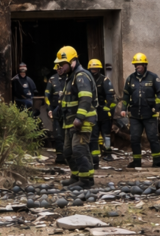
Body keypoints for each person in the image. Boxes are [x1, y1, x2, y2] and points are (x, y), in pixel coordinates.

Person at [55, 46, 98, 188]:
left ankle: (86, 180)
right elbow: (67, 101)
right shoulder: (70, 78)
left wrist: (79, 118)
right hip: (70, 122)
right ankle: (76, 176)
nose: (59, 67)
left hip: (82, 120)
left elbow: (85, 98)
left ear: (72, 62)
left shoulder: (81, 76)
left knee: (79, 149)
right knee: (67, 151)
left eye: (62, 64)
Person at [120, 53, 160, 167]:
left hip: (150, 114)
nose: (137, 66)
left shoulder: (153, 77)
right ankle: (136, 161)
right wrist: (123, 108)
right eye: (135, 64)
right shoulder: (130, 78)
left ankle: (157, 161)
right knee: (135, 138)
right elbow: (126, 95)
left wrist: (157, 106)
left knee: (152, 138)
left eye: (139, 64)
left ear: (145, 65)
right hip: (135, 115)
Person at [87, 59, 117, 162]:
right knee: (93, 134)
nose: (94, 70)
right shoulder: (87, 81)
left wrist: (108, 110)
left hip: (103, 112)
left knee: (106, 134)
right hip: (92, 112)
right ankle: (94, 156)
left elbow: (111, 98)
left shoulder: (104, 80)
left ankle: (108, 153)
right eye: (92, 68)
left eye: (95, 69)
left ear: (99, 69)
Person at [45, 65, 67, 164]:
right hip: (56, 110)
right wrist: (49, 109)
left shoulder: (70, 78)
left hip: (68, 110)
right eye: (57, 69)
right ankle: (59, 157)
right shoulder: (52, 79)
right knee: (58, 135)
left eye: (61, 68)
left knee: (68, 134)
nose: (59, 70)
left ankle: (68, 156)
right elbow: (47, 95)